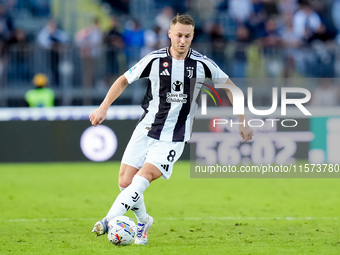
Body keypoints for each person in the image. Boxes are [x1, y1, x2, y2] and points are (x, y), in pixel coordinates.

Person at [89, 14, 253, 245]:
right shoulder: (154, 60)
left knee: (141, 178)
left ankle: (107, 221)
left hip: (175, 135)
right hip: (146, 127)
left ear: (193, 36)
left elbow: (232, 88)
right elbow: (123, 80)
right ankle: (143, 221)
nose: (182, 40)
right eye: (178, 35)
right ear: (170, 34)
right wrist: (103, 107)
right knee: (125, 182)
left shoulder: (202, 64)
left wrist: (242, 120)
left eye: (187, 36)